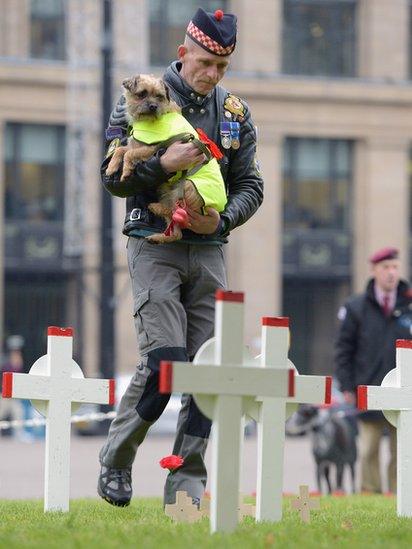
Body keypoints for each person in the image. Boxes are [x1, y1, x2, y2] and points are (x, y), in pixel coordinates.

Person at [98, 7, 263, 508]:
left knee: (210, 369)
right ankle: (117, 460)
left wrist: (224, 219)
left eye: (222, 66)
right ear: (182, 53)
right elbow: (111, 179)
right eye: (205, 62)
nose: (211, 74)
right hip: (153, 244)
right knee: (165, 361)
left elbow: (251, 185)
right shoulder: (135, 99)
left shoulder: (234, 113)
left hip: (209, 249)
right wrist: (163, 166)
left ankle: (186, 488)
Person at [334, 247, 412, 494]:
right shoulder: (357, 307)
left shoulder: (409, 305)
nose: (391, 273)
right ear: (374, 270)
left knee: (403, 451)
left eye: (395, 267)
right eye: (385, 267)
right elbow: (344, 350)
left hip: (404, 392)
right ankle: (370, 493)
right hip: (368, 389)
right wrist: (347, 386)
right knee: (368, 449)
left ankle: (399, 496)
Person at [0, 337, 25, 438]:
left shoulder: (19, 361)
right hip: (4, 393)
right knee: (1, 414)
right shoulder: (5, 361)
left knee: (18, 414)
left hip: (14, 394)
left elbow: (18, 375)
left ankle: (19, 434)